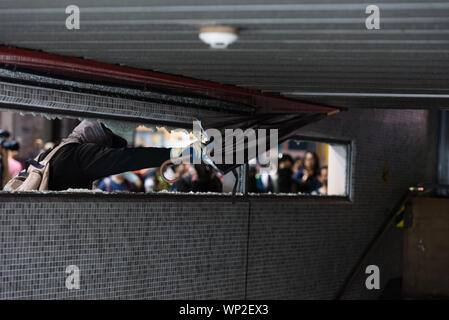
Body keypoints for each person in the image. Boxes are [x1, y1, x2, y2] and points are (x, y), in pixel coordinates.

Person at [35, 120, 175, 191]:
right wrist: (172, 153)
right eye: (107, 145)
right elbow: (130, 158)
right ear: (101, 137)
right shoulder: (83, 155)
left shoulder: (54, 151)